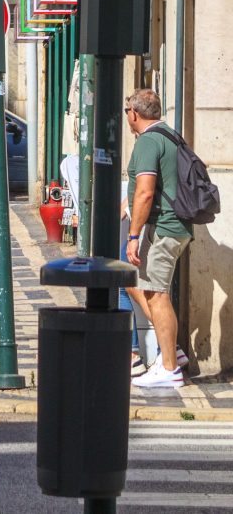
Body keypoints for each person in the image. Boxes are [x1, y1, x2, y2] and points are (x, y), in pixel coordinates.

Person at [125, 88, 193, 388]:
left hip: (162, 227)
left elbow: (146, 191)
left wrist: (133, 235)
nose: (127, 115)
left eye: (128, 110)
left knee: (156, 293)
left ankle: (169, 369)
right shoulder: (170, 135)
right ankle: (172, 353)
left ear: (135, 114)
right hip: (174, 226)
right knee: (135, 284)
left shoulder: (148, 141)